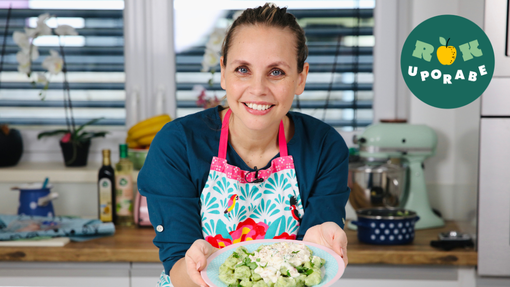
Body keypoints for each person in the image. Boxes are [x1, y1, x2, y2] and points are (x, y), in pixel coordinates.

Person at [138, 3, 350, 287]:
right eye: (242, 69)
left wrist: (320, 251)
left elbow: (312, 267)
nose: (258, 88)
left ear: (300, 78)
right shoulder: (178, 144)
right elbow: (178, 265)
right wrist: (197, 267)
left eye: (276, 72)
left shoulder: (324, 146)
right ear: (224, 72)